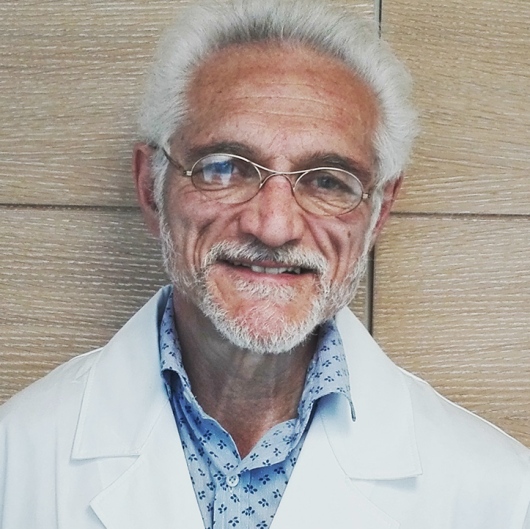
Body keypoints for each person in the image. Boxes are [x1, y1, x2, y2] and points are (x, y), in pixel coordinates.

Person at [1, 0, 529, 527]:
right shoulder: (16, 459)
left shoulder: (499, 493)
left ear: (378, 213)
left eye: (327, 181)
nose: (274, 226)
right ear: (150, 188)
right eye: (224, 168)